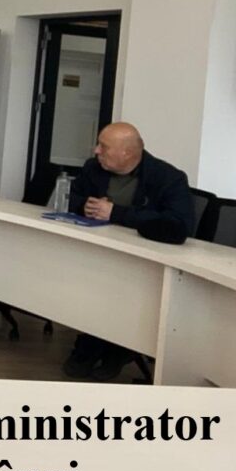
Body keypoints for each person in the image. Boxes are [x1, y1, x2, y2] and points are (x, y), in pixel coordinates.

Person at [63, 122, 195, 381]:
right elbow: (73, 197)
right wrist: (84, 207)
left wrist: (117, 213)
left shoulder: (168, 178)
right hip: (98, 254)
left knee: (118, 288)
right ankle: (92, 342)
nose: (96, 150)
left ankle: (118, 348)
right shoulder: (93, 168)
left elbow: (179, 227)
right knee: (88, 283)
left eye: (103, 146)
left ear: (127, 153)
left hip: (144, 263)